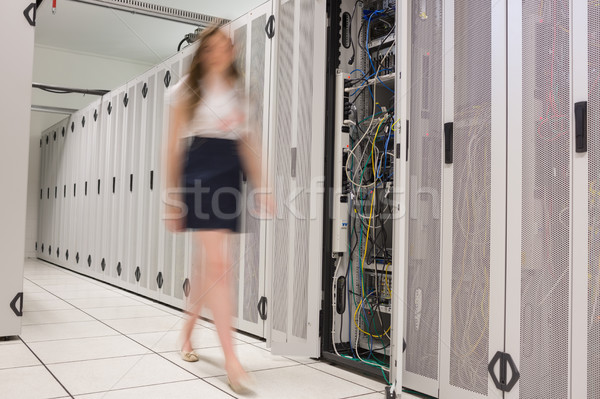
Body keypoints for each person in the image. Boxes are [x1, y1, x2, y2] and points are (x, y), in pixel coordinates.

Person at [164, 25, 272, 394]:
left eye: (225, 45)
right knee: (219, 268)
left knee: (206, 268)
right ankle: (232, 360)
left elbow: (247, 144)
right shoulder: (184, 92)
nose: (218, 52)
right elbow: (172, 148)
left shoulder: (240, 94)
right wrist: (173, 199)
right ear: (202, 53)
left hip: (229, 175)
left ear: (233, 48)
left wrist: (262, 186)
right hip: (199, 173)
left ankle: (186, 334)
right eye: (210, 47)